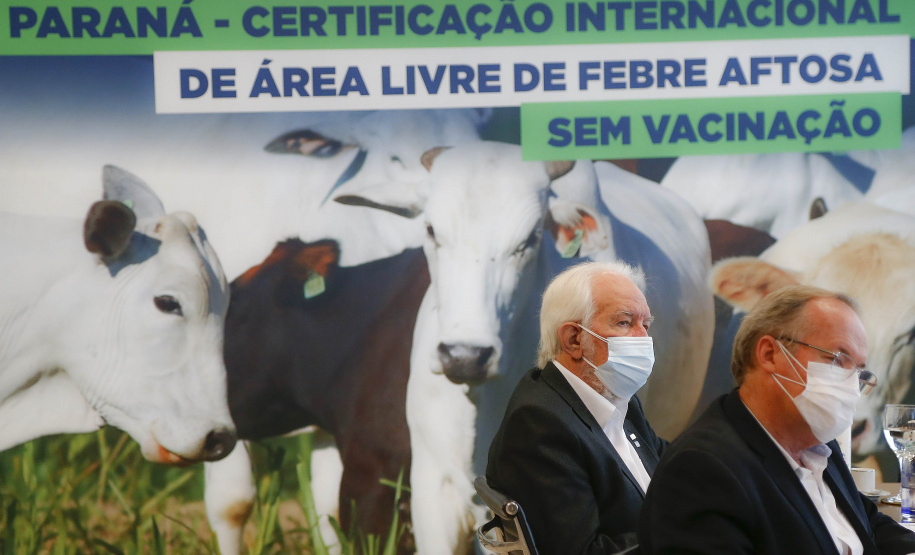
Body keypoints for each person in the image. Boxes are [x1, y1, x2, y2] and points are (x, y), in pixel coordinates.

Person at [638, 285, 915, 554]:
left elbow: (867, 525)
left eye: (858, 371)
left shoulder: (821, 446)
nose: (852, 386)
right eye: (837, 359)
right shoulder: (702, 468)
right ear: (770, 354)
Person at [486, 260, 668, 554]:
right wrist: (685, 536)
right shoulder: (538, 424)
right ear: (574, 339)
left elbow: (668, 464)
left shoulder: (616, 395)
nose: (643, 339)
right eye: (624, 322)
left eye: (645, 325)